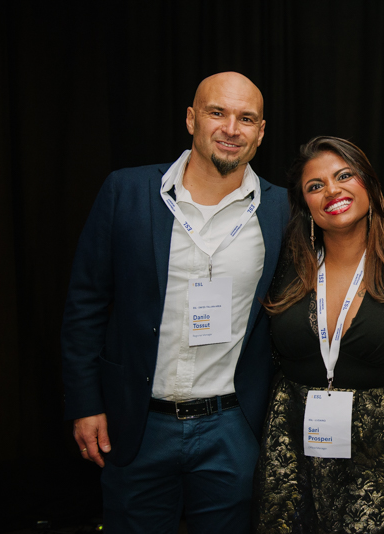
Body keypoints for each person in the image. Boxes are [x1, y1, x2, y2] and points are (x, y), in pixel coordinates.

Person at [61, 72, 289, 533]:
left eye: (246, 118)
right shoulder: (126, 191)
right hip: (137, 423)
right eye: (217, 113)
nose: (231, 129)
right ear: (191, 119)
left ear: (261, 132)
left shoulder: (281, 209)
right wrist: (85, 403)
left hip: (232, 427)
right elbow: (85, 304)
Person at [253, 137, 384, 533]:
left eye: (344, 176)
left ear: (370, 185)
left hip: (378, 449)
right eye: (316, 185)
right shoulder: (284, 267)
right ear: (305, 204)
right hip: (291, 442)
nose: (331, 190)